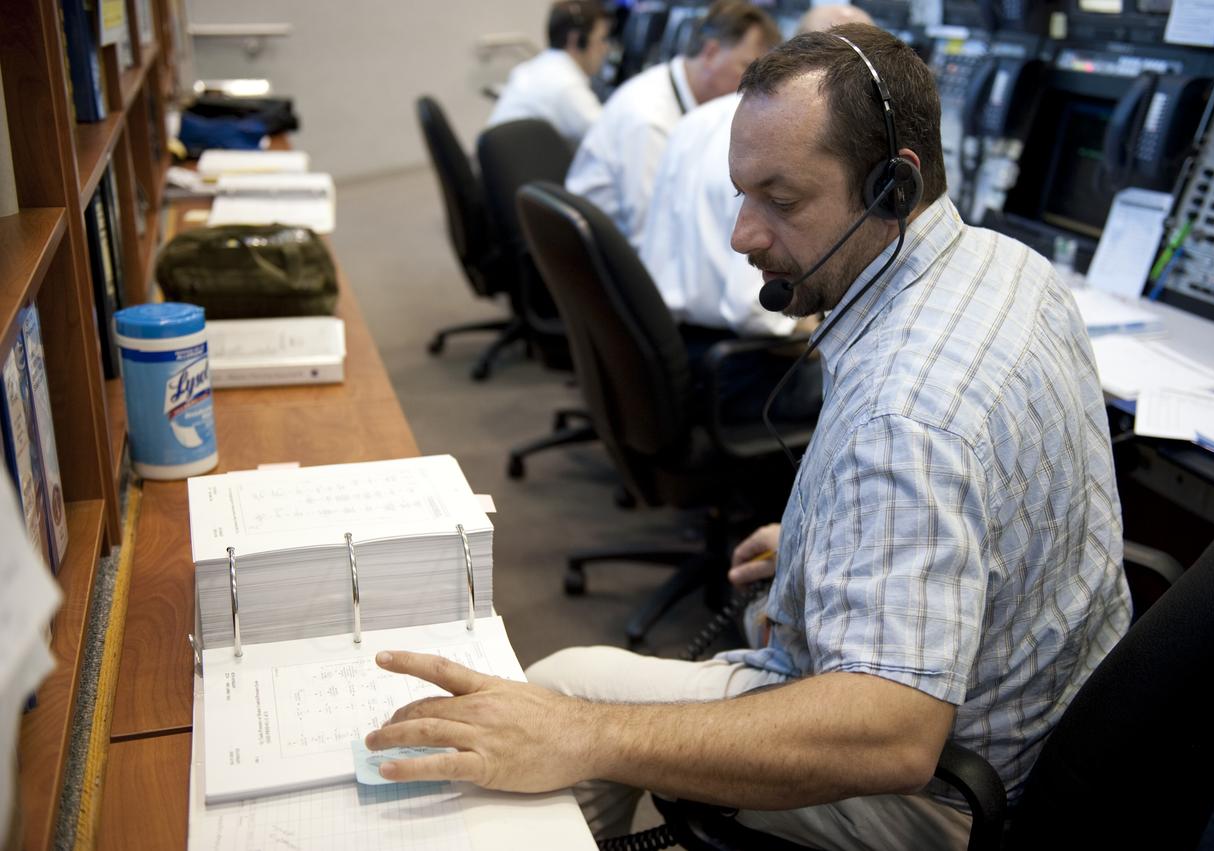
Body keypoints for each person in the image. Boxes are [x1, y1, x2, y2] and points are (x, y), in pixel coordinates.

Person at [363, 23, 1131, 850]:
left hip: (952, 790)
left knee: (558, 694)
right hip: (1064, 728)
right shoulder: (1009, 267)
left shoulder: (904, 415)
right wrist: (824, 537)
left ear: (893, 189)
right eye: (742, 193)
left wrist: (584, 734)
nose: (743, 234)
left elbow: (891, 734)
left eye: (782, 199)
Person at [639, 4, 875, 423]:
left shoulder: (702, 117)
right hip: (734, 373)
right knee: (875, 391)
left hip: (664, 356)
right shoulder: (781, 151)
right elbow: (760, 316)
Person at [565, 0, 780, 250]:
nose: (752, 86)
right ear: (710, 53)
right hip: (603, 262)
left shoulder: (674, 96)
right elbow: (650, 236)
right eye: (746, 67)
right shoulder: (650, 121)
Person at [485, 1, 611, 147]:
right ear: (576, 40)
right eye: (601, 40)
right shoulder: (565, 84)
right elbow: (609, 138)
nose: (605, 49)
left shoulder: (537, 67)